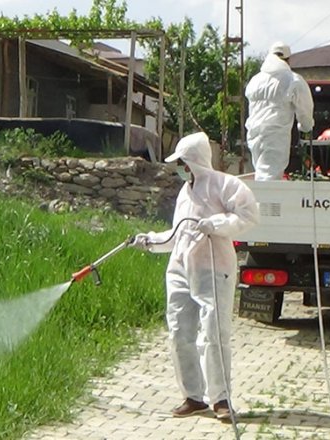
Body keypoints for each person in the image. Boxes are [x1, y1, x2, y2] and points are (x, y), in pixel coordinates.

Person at [130, 132, 260, 420]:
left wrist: (215, 224)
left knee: (213, 333)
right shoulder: (184, 193)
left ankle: (221, 399)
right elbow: (177, 235)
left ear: (195, 161)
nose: (180, 168)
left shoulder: (225, 185)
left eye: (183, 163)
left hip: (214, 267)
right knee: (179, 332)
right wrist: (149, 240)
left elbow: (249, 216)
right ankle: (193, 396)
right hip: (179, 268)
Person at [244, 41, 315, 180]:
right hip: (275, 135)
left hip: (254, 134)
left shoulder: (255, 80)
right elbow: (305, 108)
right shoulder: (292, 80)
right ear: (288, 60)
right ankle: (266, 202)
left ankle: (260, 201)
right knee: (269, 178)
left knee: (260, 173)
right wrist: (306, 126)